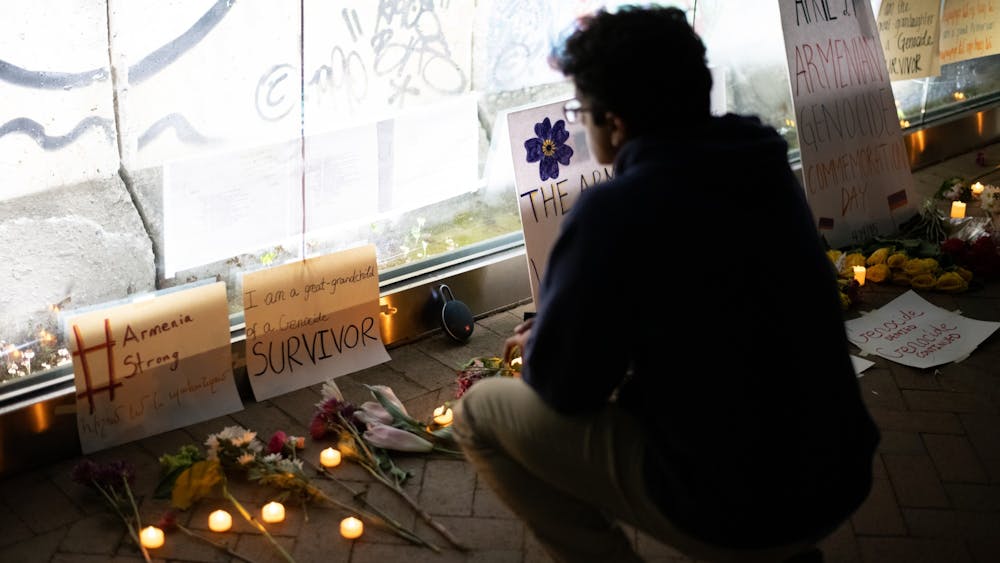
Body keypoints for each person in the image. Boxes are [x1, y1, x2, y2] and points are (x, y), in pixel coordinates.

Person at [452, 5, 880, 563]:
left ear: (615, 122)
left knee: (480, 415)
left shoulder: (615, 210)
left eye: (583, 110)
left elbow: (567, 389)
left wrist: (547, 338)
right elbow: (712, 302)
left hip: (734, 502)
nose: (581, 123)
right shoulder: (762, 162)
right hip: (838, 470)